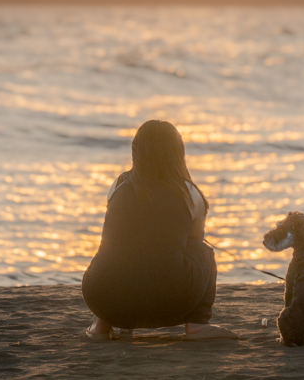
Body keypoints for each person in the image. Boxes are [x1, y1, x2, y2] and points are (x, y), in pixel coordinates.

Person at [81, 119, 239, 340]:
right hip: (169, 303)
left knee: (111, 249)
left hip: (102, 299)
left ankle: (101, 325)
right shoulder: (188, 192)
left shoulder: (119, 184)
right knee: (203, 251)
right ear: (178, 152)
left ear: (136, 151)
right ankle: (197, 325)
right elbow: (195, 240)